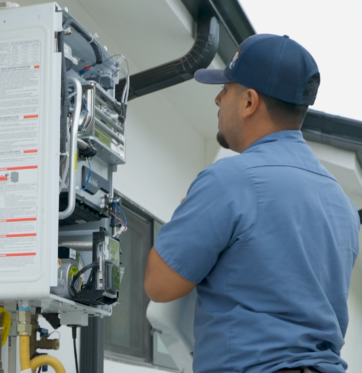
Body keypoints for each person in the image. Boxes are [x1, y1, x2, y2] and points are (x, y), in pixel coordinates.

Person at [144, 34, 359, 373]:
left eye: (226, 90)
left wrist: (184, 215)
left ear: (249, 102)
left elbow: (160, 285)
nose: (217, 99)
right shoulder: (343, 205)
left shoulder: (229, 180)